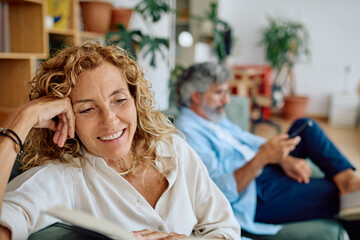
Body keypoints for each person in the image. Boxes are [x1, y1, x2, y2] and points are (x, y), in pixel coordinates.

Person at [0, 43, 241, 240]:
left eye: (119, 100)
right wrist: (21, 121)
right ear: (63, 118)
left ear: (135, 99)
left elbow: (226, 229)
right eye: (86, 109)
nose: (110, 121)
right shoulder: (63, 177)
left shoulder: (173, 149)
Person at [174, 62, 360, 239]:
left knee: (306, 125)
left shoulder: (213, 116)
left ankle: (348, 180)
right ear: (196, 96)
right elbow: (217, 193)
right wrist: (263, 158)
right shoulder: (188, 133)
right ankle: (349, 191)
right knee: (341, 195)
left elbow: (250, 141)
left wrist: (281, 158)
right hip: (254, 195)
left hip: (264, 168)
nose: (227, 100)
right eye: (219, 93)